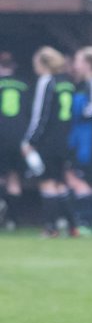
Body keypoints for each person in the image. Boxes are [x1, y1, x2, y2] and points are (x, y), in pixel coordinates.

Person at [21, 47, 77, 237]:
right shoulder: (67, 83)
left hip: (48, 141)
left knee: (46, 183)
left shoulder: (47, 81)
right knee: (61, 183)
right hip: (65, 140)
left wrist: (29, 141)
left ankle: (50, 228)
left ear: (44, 63)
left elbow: (40, 116)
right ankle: (73, 226)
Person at [64, 46, 92, 233]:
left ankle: (86, 222)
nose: (75, 65)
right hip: (82, 141)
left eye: (78, 61)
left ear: (88, 64)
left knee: (84, 180)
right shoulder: (80, 84)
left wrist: (75, 114)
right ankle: (88, 222)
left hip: (89, 143)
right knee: (88, 181)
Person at [0, 52, 30, 231]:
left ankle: (3, 210)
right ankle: (13, 220)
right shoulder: (24, 85)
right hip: (20, 138)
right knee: (14, 178)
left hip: (1, 136)